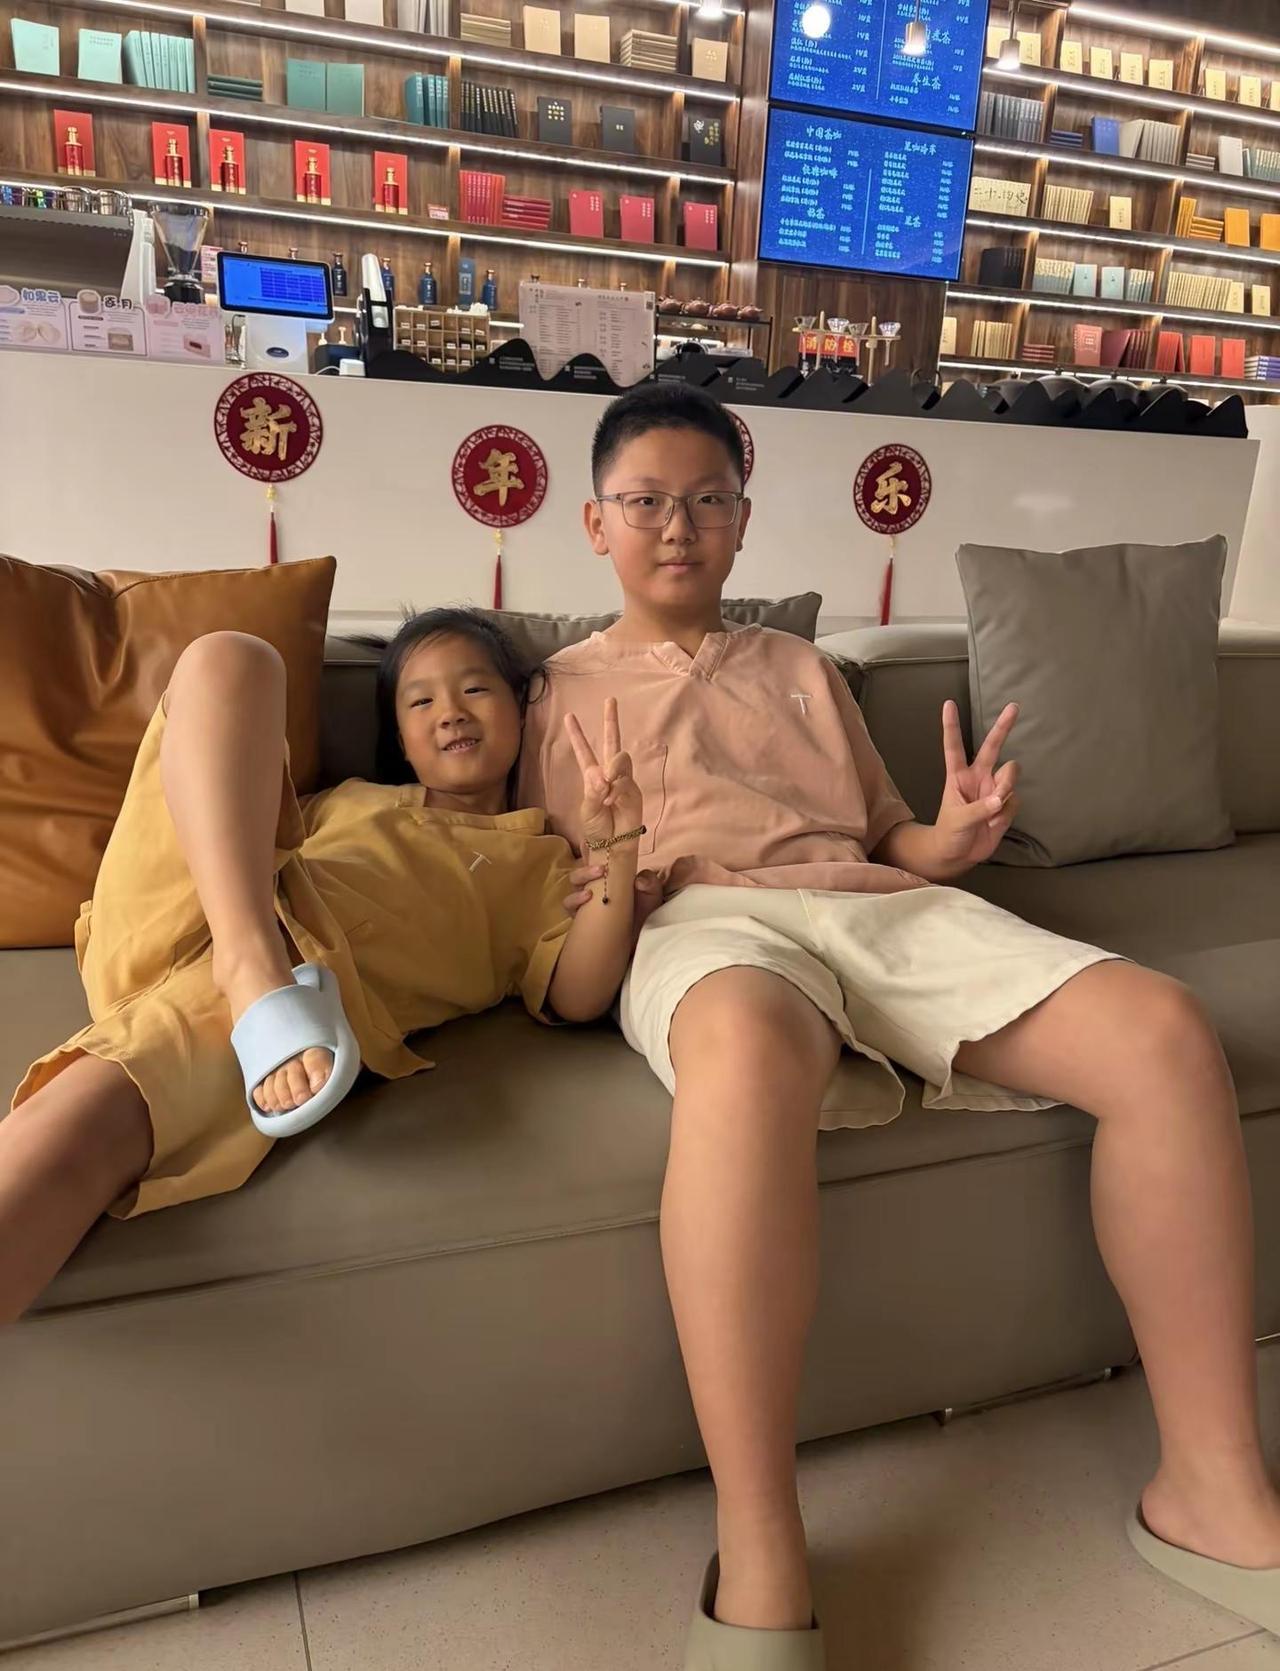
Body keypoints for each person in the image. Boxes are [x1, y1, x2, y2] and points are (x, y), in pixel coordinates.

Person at [521, 383, 1280, 1669]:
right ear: (595, 523)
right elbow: (560, 929)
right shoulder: (549, 693)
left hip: (874, 907)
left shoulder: (801, 669)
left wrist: (955, 835)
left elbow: (885, 840)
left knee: (1160, 1030)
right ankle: (761, 1546)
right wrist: (613, 861)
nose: (677, 526)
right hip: (700, 924)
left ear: (742, 520)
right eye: (645, 501)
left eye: (706, 500)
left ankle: (1210, 1489)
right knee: (744, 1051)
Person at [0, 609, 640, 1326]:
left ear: (521, 710)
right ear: (399, 738)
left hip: (291, 990)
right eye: (420, 701)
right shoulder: (345, 799)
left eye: (475, 689)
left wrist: (617, 849)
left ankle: (249, 972)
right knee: (232, 652)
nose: (451, 712)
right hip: (188, 910)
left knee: (84, 1121)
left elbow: (580, 993)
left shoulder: (540, 862)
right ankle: (247, 960)